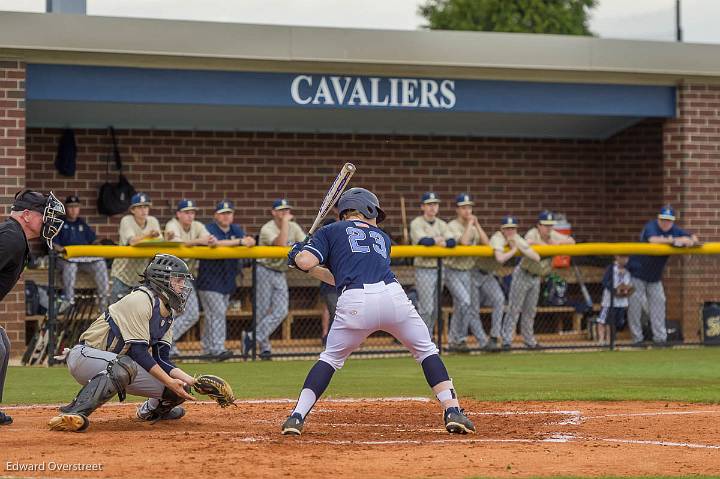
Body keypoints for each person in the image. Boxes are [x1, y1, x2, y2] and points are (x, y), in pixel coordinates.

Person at [282, 187, 474, 436]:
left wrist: (299, 256)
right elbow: (333, 275)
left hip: (355, 302)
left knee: (330, 359)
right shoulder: (382, 237)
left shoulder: (329, 230)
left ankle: (297, 416)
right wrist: (304, 263)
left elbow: (310, 263)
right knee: (426, 351)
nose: (376, 220)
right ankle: (453, 410)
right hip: (393, 298)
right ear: (365, 209)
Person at [48, 254, 197, 432]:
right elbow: (139, 353)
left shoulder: (168, 314)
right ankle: (74, 413)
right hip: (85, 356)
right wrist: (170, 381)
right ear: (162, 279)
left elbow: (161, 359)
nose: (182, 286)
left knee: (179, 386)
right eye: (178, 280)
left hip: (119, 366)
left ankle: (151, 411)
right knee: (125, 365)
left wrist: (193, 381)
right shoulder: (141, 299)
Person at [0, 189, 65, 426]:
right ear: (26, 215)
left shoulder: (16, 236)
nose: (47, 221)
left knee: (4, 344)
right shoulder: (10, 236)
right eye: (43, 215)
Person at [188, 200, 255, 361]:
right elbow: (215, 244)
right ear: (215, 215)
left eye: (229, 213)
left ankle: (207, 350)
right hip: (209, 280)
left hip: (227, 280)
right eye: (223, 213)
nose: (226, 216)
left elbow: (248, 241)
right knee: (217, 314)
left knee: (213, 315)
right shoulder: (209, 229)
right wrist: (240, 242)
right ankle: (217, 349)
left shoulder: (235, 229)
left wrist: (249, 241)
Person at [626, 206, 699, 346]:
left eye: (669, 220)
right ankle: (637, 340)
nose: (666, 223)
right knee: (635, 306)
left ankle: (660, 339)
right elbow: (653, 240)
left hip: (655, 276)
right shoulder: (651, 226)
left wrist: (690, 241)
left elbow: (693, 236)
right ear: (659, 218)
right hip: (637, 272)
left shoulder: (674, 230)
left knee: (659, 304)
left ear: (672, 221)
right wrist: (674, 241)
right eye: (663, 220)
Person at [501, 210, 574, 350]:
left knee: (530, 310)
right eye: (545, 225)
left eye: (551, 225)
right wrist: (551, 246)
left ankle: (529, 340)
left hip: (536, 278)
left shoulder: (553, 235)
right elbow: (529, 242)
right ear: (539, 225)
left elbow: (571, 241)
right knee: (514, 308)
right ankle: (506, 341)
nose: (549, 228)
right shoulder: (532, 233)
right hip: (523, 274)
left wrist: (557, 244)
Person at [243, 199, 305, 360]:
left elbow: (306, 243)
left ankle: (252, 337)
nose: (284, 212)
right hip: (264, 269)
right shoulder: (267, 228)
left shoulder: (295, 227)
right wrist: (285, 222)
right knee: (262, 311)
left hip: (280, 272)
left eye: (286, 209)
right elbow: (280, 244)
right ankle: (264, 347)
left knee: (281, 310)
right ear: (274, 212)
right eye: (281, 210)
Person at [164, 199, 219, 359]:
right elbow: (177, 244)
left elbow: (208, 240)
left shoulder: (197, 226)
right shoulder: (172, 225)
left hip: (184, 276)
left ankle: (165, 341)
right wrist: (199, 241)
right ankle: (166, 344)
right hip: (167, 275)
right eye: (187, 212)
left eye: (192, 212)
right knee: (167, 312)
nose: (190, 215)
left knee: (191, 314)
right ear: (178, 214)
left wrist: (211, 241)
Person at [477, 216, 540, 349]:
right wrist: (514, 250)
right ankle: (503, 340)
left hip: (489, 274)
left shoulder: (516, 238)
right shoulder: (497, 237)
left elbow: (536, 256)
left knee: (525, 308)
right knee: (469, 307)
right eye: (507, 229)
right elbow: (500, 258)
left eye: (513, 228)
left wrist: (521, 247)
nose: (510, 231)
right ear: (502, 229)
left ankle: (526, 340)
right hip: (475, 272)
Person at [445, 194, 490, 352]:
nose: (467, 211)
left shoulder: (473, 225)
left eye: (469, 207)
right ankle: (459, 338)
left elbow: (487, 243)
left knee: (462, 306)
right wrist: (471, 223)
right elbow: (464, 242)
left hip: (467, 271)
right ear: (457, 210)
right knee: (464, 302)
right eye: (463, 208)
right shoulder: (451, 225)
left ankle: (454, 341)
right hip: (452, 270)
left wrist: (476, 225)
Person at [409, 192, 454, 338]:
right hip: (424, 269)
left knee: (435, 308)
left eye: (435, 204)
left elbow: (452, 242)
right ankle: (422, 338)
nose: (432, 207)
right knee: (426, 308)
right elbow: (424, 241)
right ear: (422, 207)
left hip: (440, 269)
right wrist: (439, 240)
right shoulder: (416, 223)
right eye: (429, 204)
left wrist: (438, 241)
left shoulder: (442, 224)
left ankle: (427, 337)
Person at [54, 195, 109, 313]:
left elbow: (94, 241)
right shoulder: (59, 222)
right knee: (71, 266)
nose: (74, 210)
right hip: (65, 260)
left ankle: (103, 301)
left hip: (83, 260)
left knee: (100, 263)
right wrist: (63, 250)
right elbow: (54, 245)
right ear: (66, 208)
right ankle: (69, 301)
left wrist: (98, 245)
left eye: (76, 207)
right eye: (70, 207)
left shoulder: (81, 223)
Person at [109, 193, 161, 303]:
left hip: (140, 276)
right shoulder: (126, 220)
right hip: (121, 274)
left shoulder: (153, 221)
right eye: (140, 207)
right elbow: (132, 241)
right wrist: (149, 235)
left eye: (146, 206)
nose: (144, 210)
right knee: (114, 310)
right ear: (133, 210)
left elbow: (159, 242)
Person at [597, 255, 634, 345]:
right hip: (609, 301)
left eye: (626, 258)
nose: (624, 259)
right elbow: (605, 281)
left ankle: (610, 341)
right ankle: (601, 340)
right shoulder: (611, 268)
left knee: (616, 322)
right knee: (603, 320)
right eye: (622, 257)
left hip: (622, 301)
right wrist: (614, 290)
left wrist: (626, 290)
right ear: (617, 257)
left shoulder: (629, 268)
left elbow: (630, 283)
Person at [318, 217, 339, 346]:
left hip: (343, 282)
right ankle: (328, 337)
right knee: (334, 310)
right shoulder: (325, 243)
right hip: (329, 282)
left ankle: (332, 338)